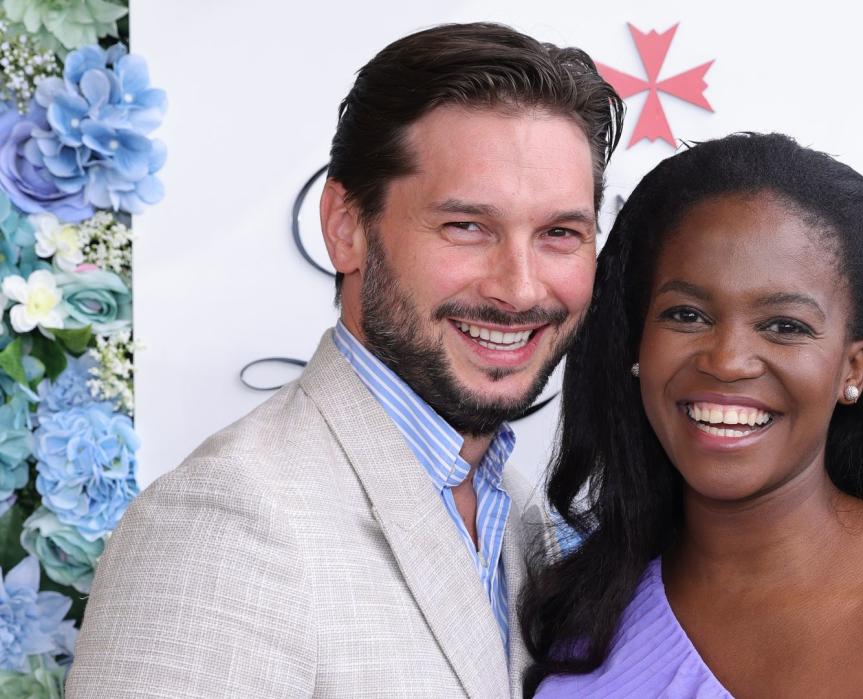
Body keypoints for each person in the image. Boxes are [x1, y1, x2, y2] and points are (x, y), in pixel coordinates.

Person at [67, 23, 622, 698]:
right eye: (467, 226)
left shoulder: (524, 516)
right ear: (346, 227)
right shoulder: (223, 524)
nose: (521, 287)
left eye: (560, 233)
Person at [519, 133, 863, 697]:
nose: (727, 361)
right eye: (686, 314)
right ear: (637, 344)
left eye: (785, 326)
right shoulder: (584, 596)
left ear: (854, 367)